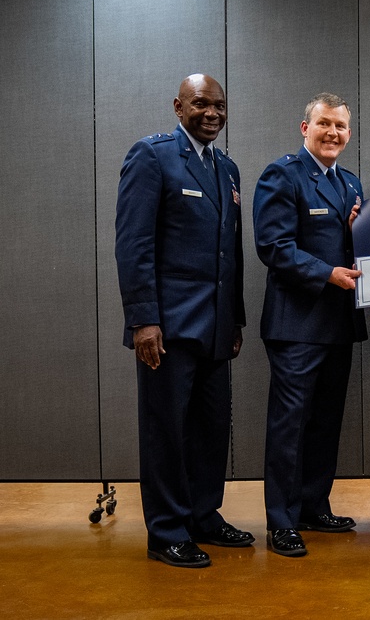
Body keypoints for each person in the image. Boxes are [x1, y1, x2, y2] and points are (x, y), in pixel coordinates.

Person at [115, 73, 252, 568]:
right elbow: (133, 244)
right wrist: (143, 320)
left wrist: (234, 320)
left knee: (211, 427)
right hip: (167, 327)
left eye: (219, 105)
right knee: (166, 429)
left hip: (215, 327)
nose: (212, 113)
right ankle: (167, 530)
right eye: (201, 105)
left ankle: (202, 514)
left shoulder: (228, 169)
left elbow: (229, 252)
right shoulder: (151, 156)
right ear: (178, 106)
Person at [253, 93, 367, 557]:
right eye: (324, 125)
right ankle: (281, 519)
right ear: (306, 128)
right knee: (289, 425)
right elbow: (274, 247)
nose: (333, 133)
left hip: (338, 324)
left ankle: (314, 506)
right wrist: (327, 273)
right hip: (297, 325)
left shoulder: (350, 184)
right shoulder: (282, 174)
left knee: (324, 423)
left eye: (340, 127)